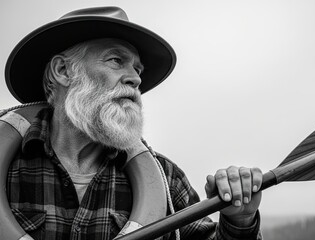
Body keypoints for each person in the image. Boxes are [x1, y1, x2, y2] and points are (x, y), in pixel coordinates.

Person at [3, 6, 263, 240]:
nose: (136, 79)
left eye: (137, 70)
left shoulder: (165, 179)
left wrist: (240, 220)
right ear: (63, 71)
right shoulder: (11, 168)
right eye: (116, 60)